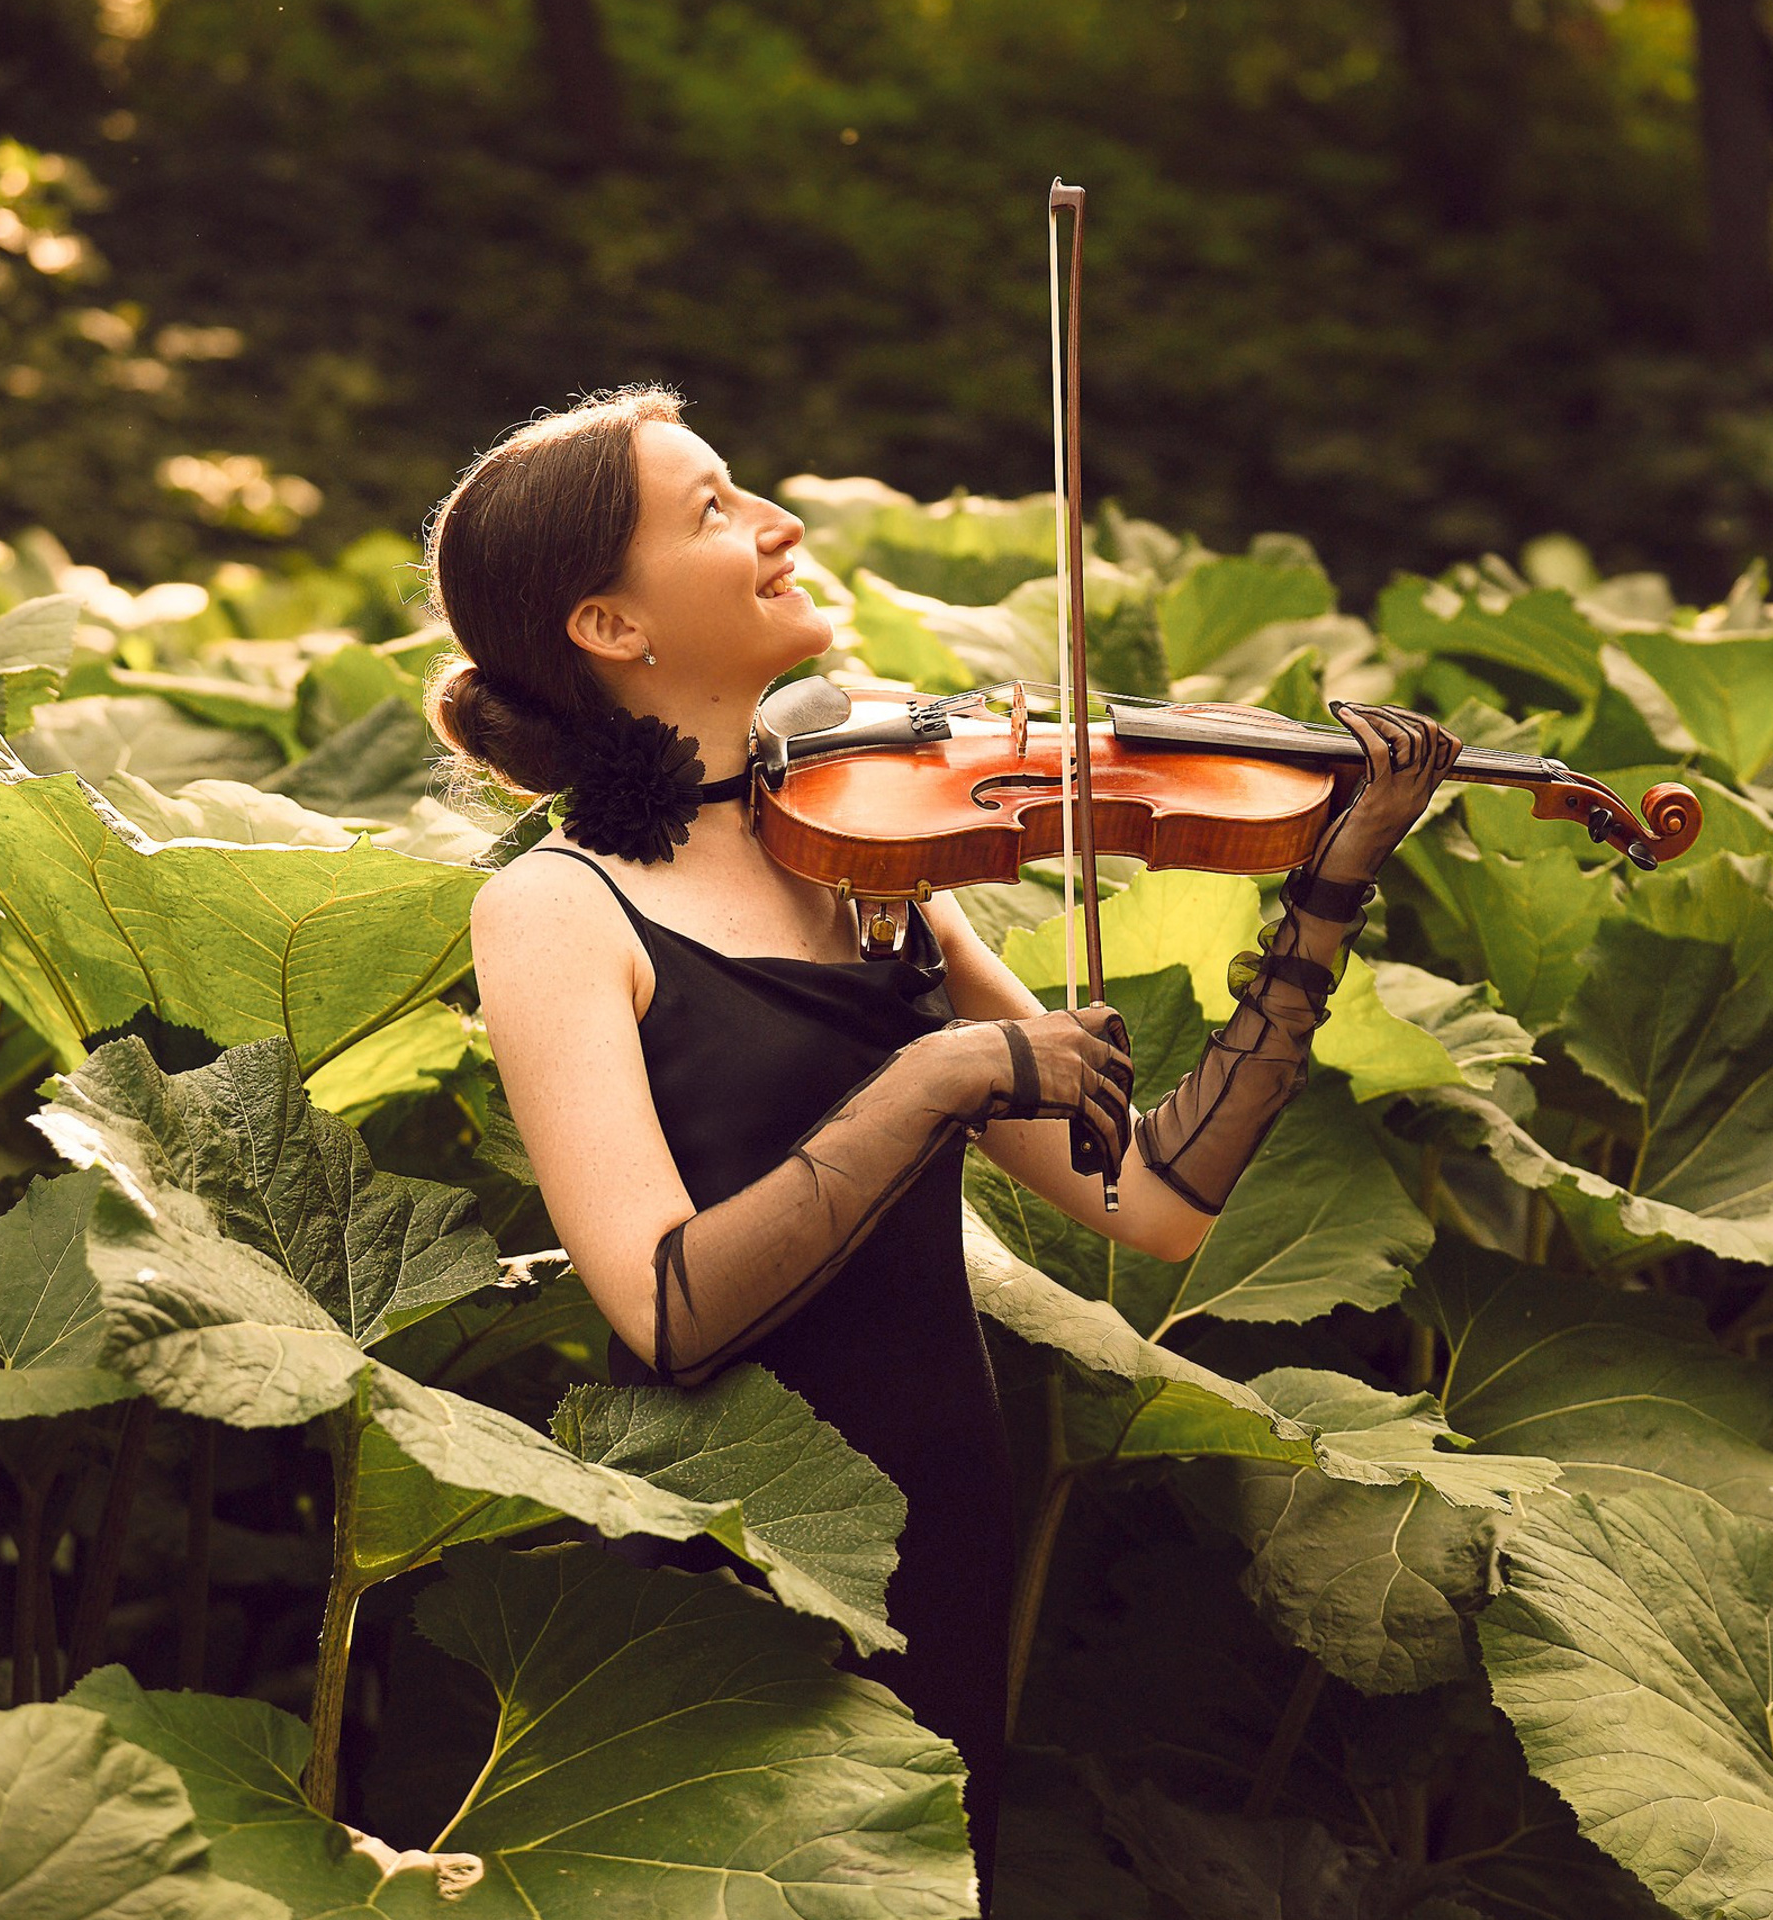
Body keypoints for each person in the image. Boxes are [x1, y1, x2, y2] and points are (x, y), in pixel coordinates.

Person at [425, 385, 1460, 1913]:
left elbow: (1152, 1199)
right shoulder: (557, 910)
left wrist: (1325, 897)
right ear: (609, 624)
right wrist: (935, 1079)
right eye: (711, 511)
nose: (776, 525)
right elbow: (666, 1304)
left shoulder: (873, 860)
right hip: (737, 1533)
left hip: (939, 1510)